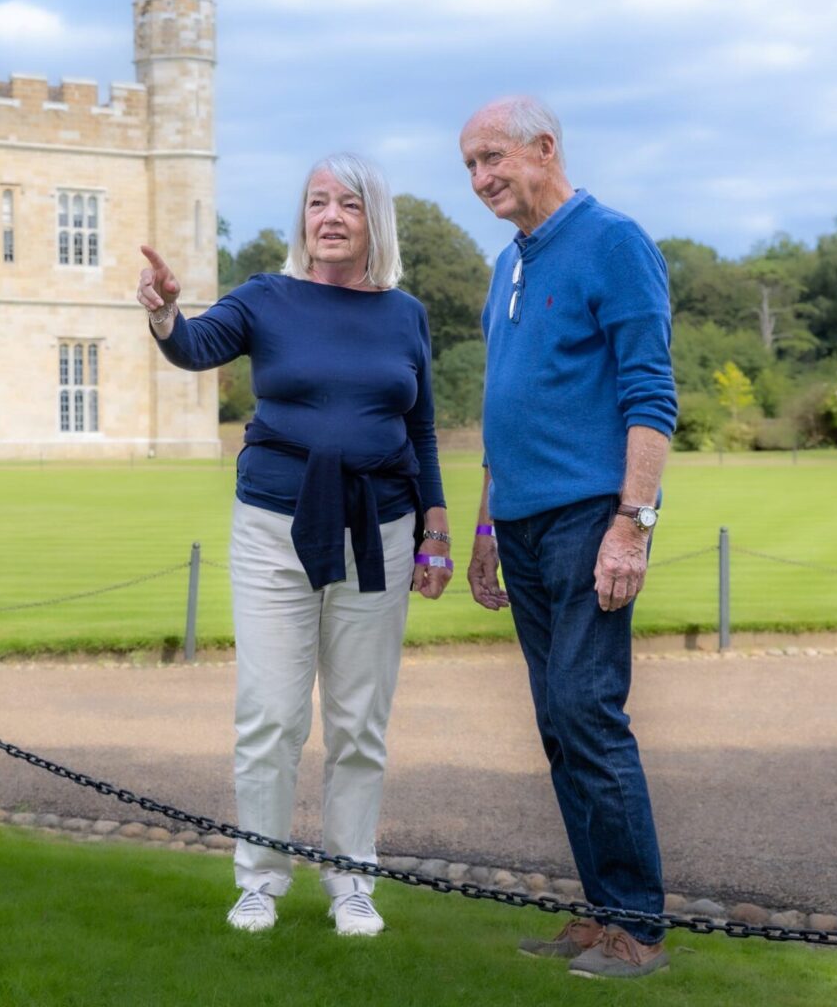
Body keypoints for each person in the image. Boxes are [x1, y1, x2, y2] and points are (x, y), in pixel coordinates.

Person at [140, 153, 452, 938]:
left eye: (348, 203)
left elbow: (418, 428)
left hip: (379, 529)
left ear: (373, 218)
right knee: (272, 713)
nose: (331, 217)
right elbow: (197, 347)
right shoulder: (266, 297)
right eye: (317, 203)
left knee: (359, 720)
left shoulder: (405, 314)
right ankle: (260, 878)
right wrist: (166, 314)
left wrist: (436, 525)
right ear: (302, 219)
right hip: (274, 528)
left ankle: (352, 882)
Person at [457, 96, 678, 980]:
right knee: (558, 722)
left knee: (589, 711)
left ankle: (641, 929)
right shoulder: (506, 263)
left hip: (592, 519)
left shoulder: (615, 241)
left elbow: (650, 397)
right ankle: (600, 912)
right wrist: (482, 525)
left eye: (492, 159)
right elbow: (500, 411)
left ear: (545, 148)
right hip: (518, 522)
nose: (480, 179)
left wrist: (632, 524)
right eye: (469, 166)